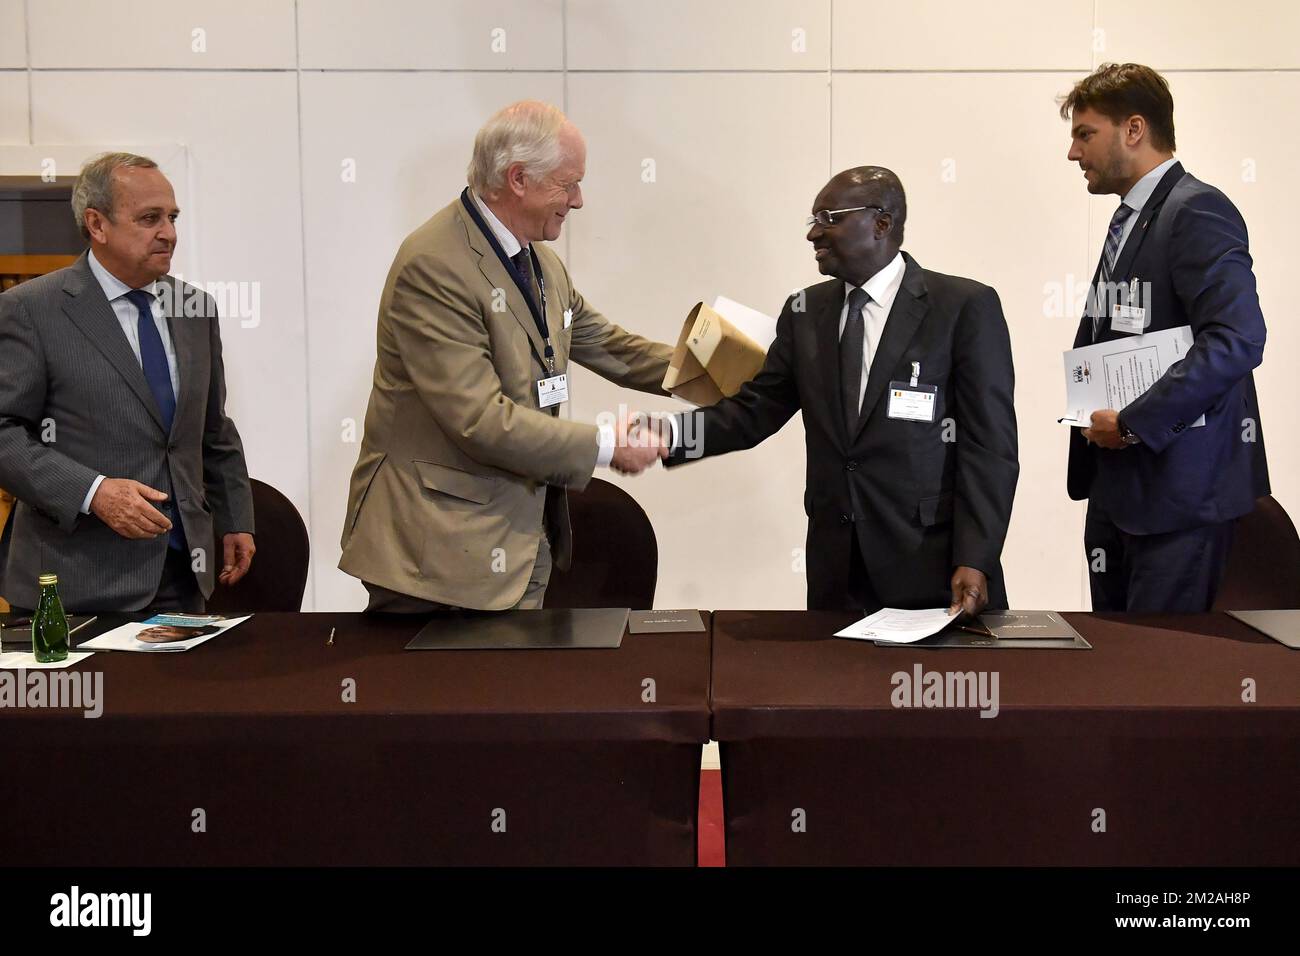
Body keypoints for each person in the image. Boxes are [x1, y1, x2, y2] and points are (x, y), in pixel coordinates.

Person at [340, 101, 673, 613]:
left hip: (517, 542)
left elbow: (609, 346)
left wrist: (721, 371)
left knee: (513, 689)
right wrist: (606, 445)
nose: (579, 201)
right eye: (568, 184)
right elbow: (479, 420)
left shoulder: (540, 263)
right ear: (518, 178)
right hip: (437, 560)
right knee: (450, 695)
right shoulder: (434, 266)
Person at [655, 166, 1019, 614]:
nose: (813, 234)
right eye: (813, 220)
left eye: (829, 218)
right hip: (837, 571)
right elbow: (757, 409)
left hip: (931, 567)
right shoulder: (806, 310)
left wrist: (976, 556)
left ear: (881, 224)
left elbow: (990, 448)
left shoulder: (963, 307)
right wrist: (669, 435)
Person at [0, 152, 255, 614]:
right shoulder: (31, 309)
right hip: (75, 583)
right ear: (97, 225)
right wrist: (93, 492)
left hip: (184, 574)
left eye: (173, 217)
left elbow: (212, 427)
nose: (170, 233)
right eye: (149, 218)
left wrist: (236, 518)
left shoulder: (194, 308)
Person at [1060, 63, 1269, 612]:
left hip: (1178, 499)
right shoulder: (1130, 218)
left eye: (1085, 134)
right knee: (1117, 672)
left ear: (1134, 129)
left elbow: (1237, 339)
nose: (1073, 153)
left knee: (1158, 677)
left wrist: (1132, 423)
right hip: (1118, 492)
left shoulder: (1196, 209)